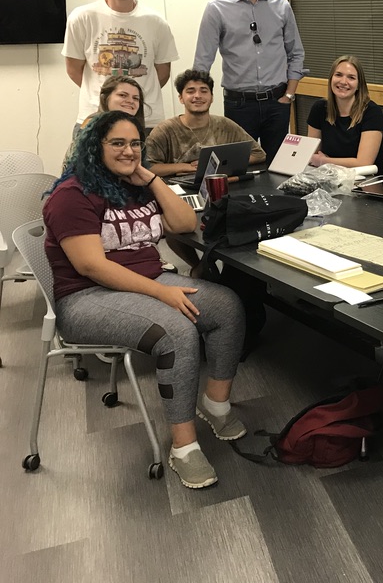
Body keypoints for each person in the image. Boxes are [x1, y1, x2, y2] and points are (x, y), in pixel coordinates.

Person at [43, 110, 246, 489]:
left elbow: (186, 224)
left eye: (135, 143)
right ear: (94, 147)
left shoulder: (134, 184)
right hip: (87, 298)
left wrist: (151, 179)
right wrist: (161, 292)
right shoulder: (71, 195)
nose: (128, 150)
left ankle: (216, 405)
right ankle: (184, 447)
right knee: (177, 333)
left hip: (149, 279)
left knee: (226, 307)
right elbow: (91, 267)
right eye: (117, 143)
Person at [193, 0, 306, 165]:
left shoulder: (281, 7)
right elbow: (202, 62)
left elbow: (296, 53)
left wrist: (289, 97)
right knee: (238, 167)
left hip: (277, 102)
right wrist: (199, 103)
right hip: (239, 106)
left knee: (280, 168)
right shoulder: (217, 8)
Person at [63, 0, 177, 136]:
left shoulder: (156, 22)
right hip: (95, 116)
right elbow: (74, 69)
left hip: (146, 119)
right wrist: (106, 97)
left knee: (147, 165)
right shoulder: (82, 17)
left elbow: (162, 73)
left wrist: (133, 98)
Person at [145, 69, 266, 178]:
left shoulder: (225, 125)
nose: (197, 96)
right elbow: (147, 167)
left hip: (221, 188)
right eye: (190, 91)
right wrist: (186, 167)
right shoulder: (164, 130)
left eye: (204, 91)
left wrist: (217, 164)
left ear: (212, 97)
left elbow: (259, 154)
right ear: (181, 98)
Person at [307, 55, 383, 177]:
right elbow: (312, 153)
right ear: (331, 78)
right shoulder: (319, 108)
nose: (343, 82)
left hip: (365, 184)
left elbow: (364, 162)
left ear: (359, 84)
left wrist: (325, 161)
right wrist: (321, 161)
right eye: (338, 75)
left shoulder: (372, 112)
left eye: (351, 77)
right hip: (329, 178)